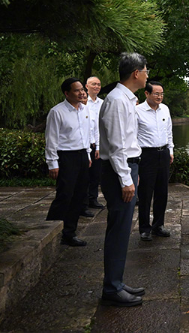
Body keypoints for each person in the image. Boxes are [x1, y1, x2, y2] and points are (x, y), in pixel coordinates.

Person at [98, 53, 148, 307]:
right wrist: (126, 179)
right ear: (135, 73)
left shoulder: (125, 99)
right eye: (146, 71)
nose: (148, 75)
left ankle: (116, 281)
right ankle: (112, 288)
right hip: (120, 169)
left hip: (127, 167)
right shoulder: (118, 101)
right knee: (118, 228)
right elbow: (118, 146)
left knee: (122, 228)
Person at [45, 78, 92, 246]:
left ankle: (69, 233)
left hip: (81, 156)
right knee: (65, 194)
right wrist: (53, 163)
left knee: (79, 195)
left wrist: (87, 155)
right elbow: (51, 139)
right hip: (66, 157)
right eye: (77, 90)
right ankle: (49, 230)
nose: (82, 93)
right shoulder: (57, 112)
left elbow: (86, 135)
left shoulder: (85, 110)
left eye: (82, 89)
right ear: (67, 93)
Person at [136, 80, 174, 241]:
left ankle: (158, 225)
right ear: (147, 93)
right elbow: (133, 135)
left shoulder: (165, 109)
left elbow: (169, 131)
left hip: (163, 153)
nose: (159, 97)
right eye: (156, 93)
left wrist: (170, 150)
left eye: (161, 94)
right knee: (145, 193)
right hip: (146, 155)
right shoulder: (137, 111)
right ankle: (144, 228)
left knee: (162, 192)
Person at [85, 76, 104, 211]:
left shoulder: (102, 103)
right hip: (84, 144)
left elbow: (100, 126)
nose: (96, 86)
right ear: (86, 86)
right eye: (93, 84)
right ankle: (83, 203)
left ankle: (93, 199)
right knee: (84, 175)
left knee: (95, 174)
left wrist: (98, 146)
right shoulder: (82, 103)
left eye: (98, 84)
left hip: (97, 145)